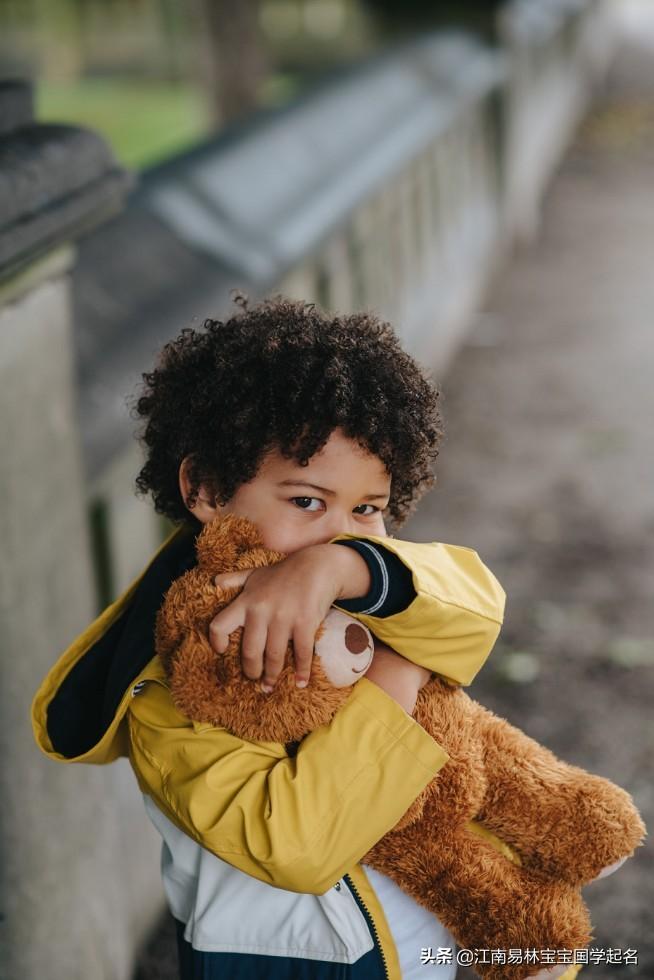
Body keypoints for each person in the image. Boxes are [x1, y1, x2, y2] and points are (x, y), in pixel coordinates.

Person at [32, 296, 506, 980]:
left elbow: (477, 604)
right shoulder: (173, 684)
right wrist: (396, 675)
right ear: (205, 487)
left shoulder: (362, 583)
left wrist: (336, 565)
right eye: (307, 502)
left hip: (414, 944)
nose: (341, 533)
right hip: (288, 963)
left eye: (367, 509)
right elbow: (298, 848)